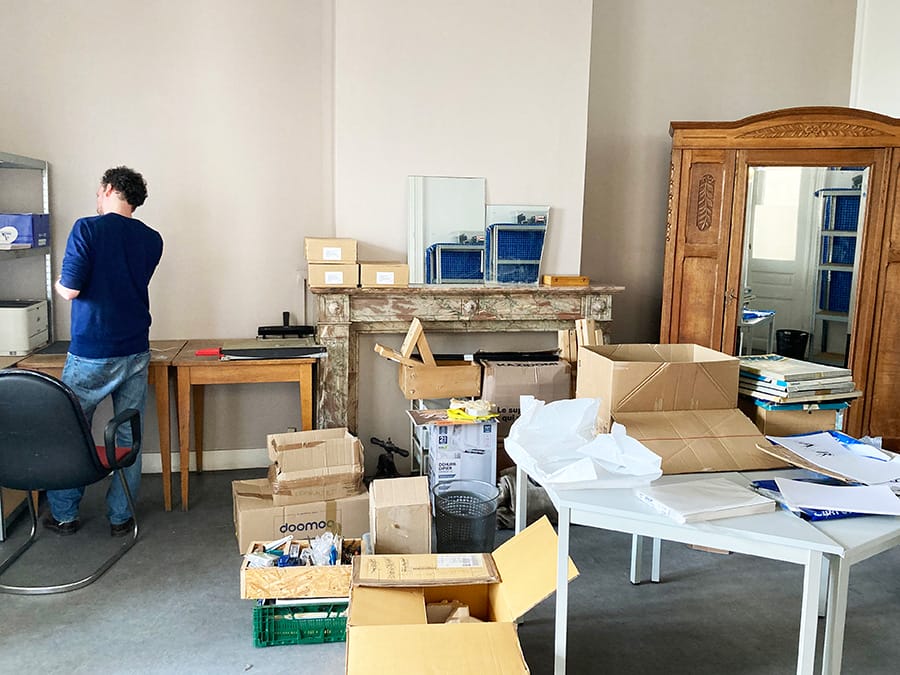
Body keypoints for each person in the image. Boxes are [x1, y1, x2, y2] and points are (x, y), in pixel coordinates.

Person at [44, 166, 163, 537]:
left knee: (69, 430)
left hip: (92, 351)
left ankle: (64, 514)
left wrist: (57, 283)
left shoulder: (87, 229)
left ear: (110, 189)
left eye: (99, 191)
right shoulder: (152, 239)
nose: (96, 197)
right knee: (128, 435)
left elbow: (71, 289)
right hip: (135, 349)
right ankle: (120, 517)